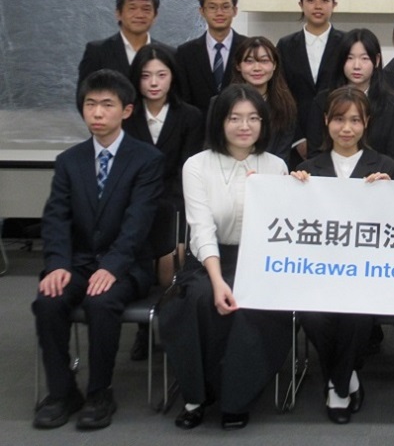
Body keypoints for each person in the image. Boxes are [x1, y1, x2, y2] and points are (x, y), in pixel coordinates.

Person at [33, 69, 164, 430]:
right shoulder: (69, 161)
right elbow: (56, 218)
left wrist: (113, 266)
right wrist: (57, 264)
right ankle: (62, 392)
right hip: (77, 263)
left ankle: (99, 392)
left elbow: (138, 222)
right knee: (49, 300)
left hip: (127, 265)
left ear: (126, 110)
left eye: (107, 105)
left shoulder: (146, 159)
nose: (97, 113)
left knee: (101, 302)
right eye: (90, 104)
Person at [159, 84, 289, 431]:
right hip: (208, 261)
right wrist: (217, 281)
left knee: (250, 307)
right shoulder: (196, 165)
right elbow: (201, 228)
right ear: (220, 122)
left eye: (253, 118)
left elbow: (280, 228)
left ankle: (236, 399)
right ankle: (195, 397)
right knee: (201, 299)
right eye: (234, 118)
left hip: (257, 261)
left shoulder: (275, 166)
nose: (244, 126)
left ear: (264, 123)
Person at [291, 87, 394, 423]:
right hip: (318, 272)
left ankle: (336, 387)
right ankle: (347, 376)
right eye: (339, 119)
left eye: (355, 120)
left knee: (356, 313)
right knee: (312, 315)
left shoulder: (386, 167)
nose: (347, 128)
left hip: (367, 273)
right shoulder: (307, 169)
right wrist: (291, 191)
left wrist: (391, 194)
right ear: (326, 121)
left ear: (367, 123)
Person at [124, 43, 204, 360]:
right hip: (133, 202)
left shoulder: (190, 116)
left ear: (173, 77)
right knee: (137, 253)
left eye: (161, 74)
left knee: (174, 257)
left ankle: (170, 325)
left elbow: (189, 169)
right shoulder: (126, 116)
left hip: (176, 200)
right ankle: (144, 330)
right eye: (146, 76)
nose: (154, 83)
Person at [305, 28, 394, 167]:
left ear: (376, 60)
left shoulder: (391, 103)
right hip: (329, 176)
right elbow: (314, 152)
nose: (357, 66)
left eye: (364, 58)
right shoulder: (323, 101)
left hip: (378, 176)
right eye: (350, 58)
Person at [276, 0, 344, 158]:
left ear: (334, 5)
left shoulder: (346, 43)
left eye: (324, 0)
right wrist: (298, 139)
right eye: (311, 0)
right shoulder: (285, 45)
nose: (318, 6)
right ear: (301, 4)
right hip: (293, 139)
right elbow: (281, 94)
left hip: (339, 136)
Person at [176, 0, 246, 117]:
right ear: (202, 11)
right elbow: (183, 99)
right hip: (198, 126)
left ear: (235, 11)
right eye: (212, 7)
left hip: (240, 123)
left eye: (225, 7)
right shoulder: (185, 53)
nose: (219, 13)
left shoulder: (248, 48)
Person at [77, 0, 165, 89]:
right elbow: (84, 93)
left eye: (146, 9)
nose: (139, 15)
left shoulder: (167, 53)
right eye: (132, 8)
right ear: (118, 14)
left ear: (155, 16)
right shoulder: (97, 51)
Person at [227, 36, 298, 163]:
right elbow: (214, 147)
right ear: (238, 66)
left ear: (274, 65)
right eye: (249, 61)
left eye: (264, 61)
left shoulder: (286, 106)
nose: (257, 68)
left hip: (270, 172)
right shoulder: (221, 103)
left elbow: (282, 155)